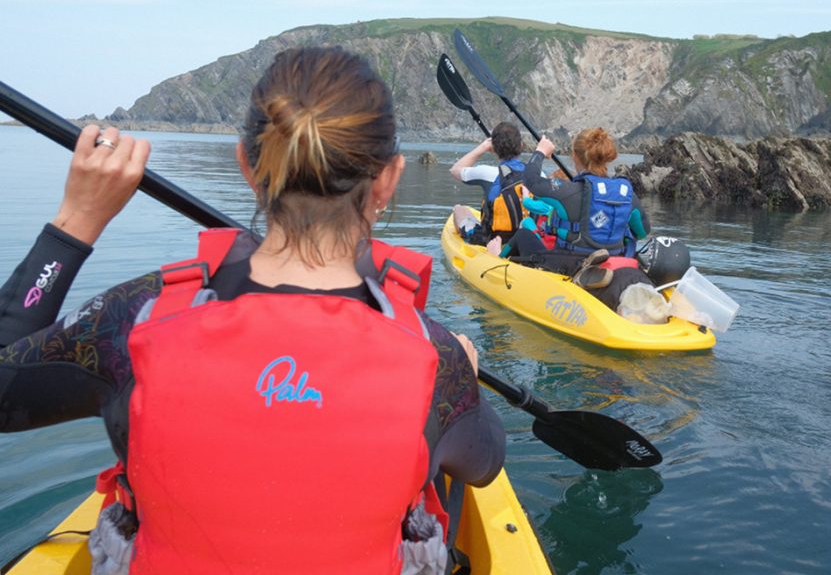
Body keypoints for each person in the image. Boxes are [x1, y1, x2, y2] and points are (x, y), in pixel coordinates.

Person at [0, 47, 505, 574]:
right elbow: (485, 464)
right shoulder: (435, 357)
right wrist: (465, 380)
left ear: (247, 165)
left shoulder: (136, 318)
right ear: (388, 180)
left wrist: (75, 221)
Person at [499, 128, 652, 299]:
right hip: (615, 261)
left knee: (523, 235)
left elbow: (531, 180)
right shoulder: (626, 193)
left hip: (570, 264)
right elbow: (642, 232)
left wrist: (540, 151)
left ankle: (495, 262)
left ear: (574, 156)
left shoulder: (569, 191)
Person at [449, 121, 527, 244]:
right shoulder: (537, 173)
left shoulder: (487, 172)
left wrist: (483, 147)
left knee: (459, 209)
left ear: (494, 148)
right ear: (521, 145)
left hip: (492, 240)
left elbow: (455, 170)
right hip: (527, 239)